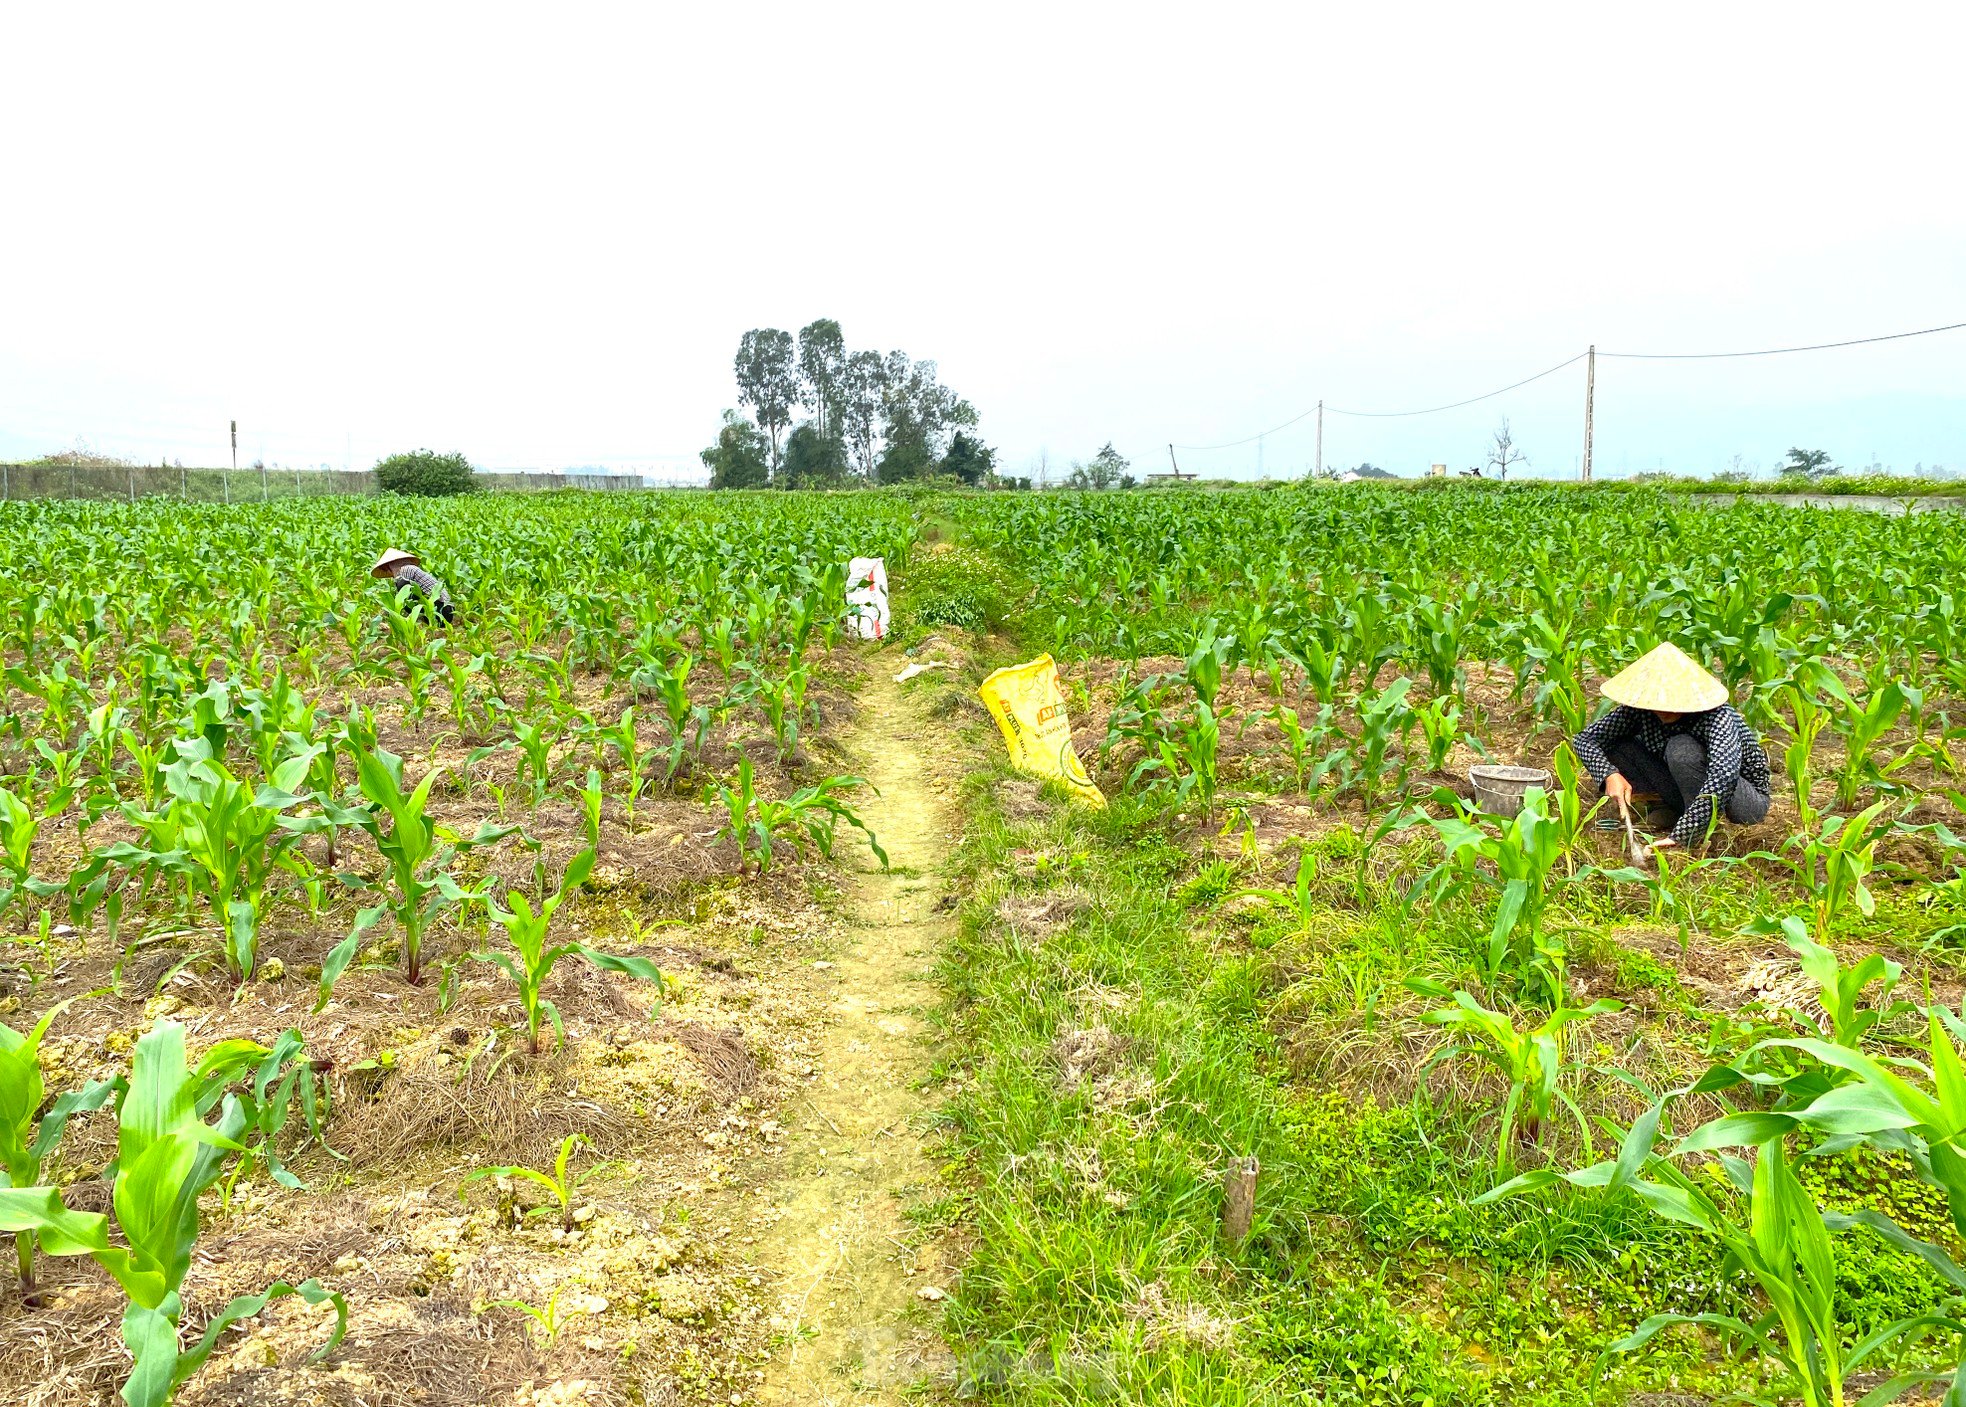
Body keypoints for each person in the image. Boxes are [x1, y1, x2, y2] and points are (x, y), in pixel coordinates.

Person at [1568, 641, 1771, 850]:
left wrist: (1685, 834)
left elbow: (1723, 777)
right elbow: (1586, 739)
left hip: (1743, 802)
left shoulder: (1717, 716)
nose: (1664, 710)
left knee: (1681, 749)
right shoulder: (1640, 710)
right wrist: (1608, 774)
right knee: (1614, 742)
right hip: (1686, 789)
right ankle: (1677, 810)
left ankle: (1705, 830)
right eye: (1659, 702)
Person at [370, 547, 455, 624]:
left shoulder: (406, 570)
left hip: (443, 610)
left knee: (408, 600)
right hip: (444, 610)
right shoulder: (409, 569)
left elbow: (401, 597)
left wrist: (384, 616)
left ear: (389, 566)